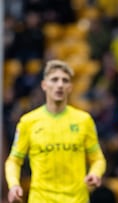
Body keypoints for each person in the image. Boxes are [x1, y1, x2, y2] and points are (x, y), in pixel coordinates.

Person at [5, 60, 107, 203]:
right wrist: (14, 185)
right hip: (41, 198)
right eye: (54, 80)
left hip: (76, 199)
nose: (60, 84)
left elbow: (97, 159)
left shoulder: (83, 120)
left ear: (70, 87)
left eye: (65, 81)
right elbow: (14, 160)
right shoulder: (28, 122)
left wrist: (95, 174)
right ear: (44, 85)